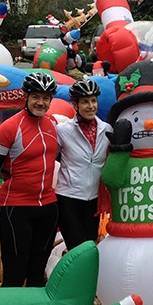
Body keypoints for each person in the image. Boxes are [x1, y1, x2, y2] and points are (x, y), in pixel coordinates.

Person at [0, 72, 60, 287]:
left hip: (48, 208)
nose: (40, 103)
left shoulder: (51, 125)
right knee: (14, 273)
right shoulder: (8, 128)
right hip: (17, 208)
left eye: (46, 98)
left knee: (37, 272)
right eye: (35, 97)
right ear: (26, 96)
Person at [55, 78, 112, 250]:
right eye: (85, 102)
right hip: (68, 198)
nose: (91, 106)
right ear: (75, 105)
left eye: (93, 101)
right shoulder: (63, 130)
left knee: (90, 244)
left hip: (93, 199)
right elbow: (50, 157)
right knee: (77, 247)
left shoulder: (107, 129)